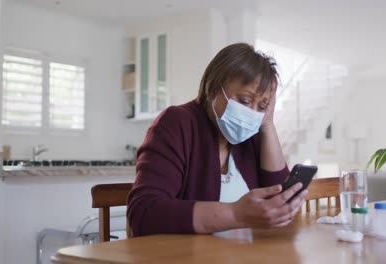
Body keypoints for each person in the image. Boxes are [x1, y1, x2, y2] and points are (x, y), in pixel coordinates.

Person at [127, 43, 308, 236]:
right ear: (214, 88)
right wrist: (235, 214)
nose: (251, 113)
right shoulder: (176, 123)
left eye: (262, 105)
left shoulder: (252, 135)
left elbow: (279, 204)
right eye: (245, 101)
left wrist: (267, 125)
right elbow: (144, 212)